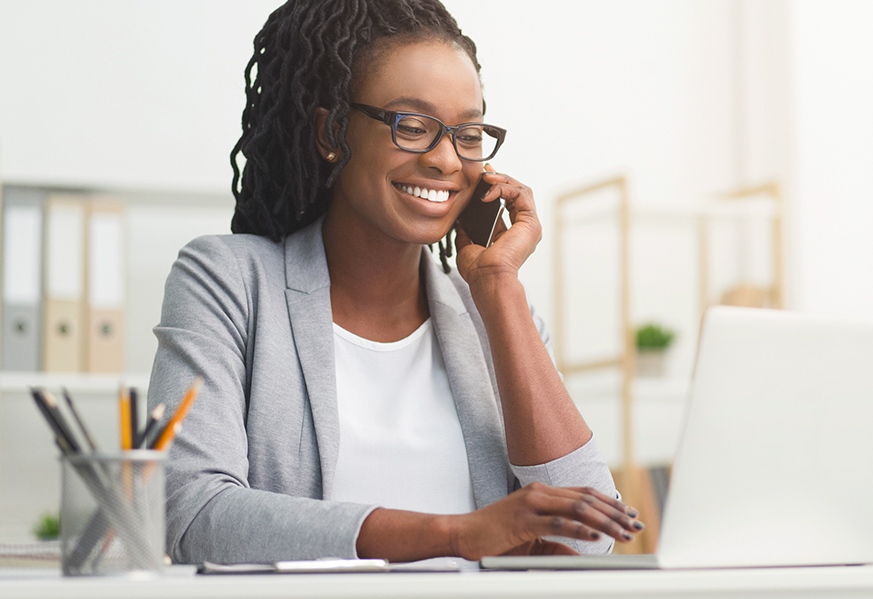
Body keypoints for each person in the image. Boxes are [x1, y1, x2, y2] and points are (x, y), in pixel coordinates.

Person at [147, 0, 641, 564]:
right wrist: (455, 534)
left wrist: (500, 288)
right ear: (331, 131)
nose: (446, 160)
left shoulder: (494, 317)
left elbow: (593, 538)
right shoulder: (229, 282)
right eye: (413, 126)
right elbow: (190, 513)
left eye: (469, 133)